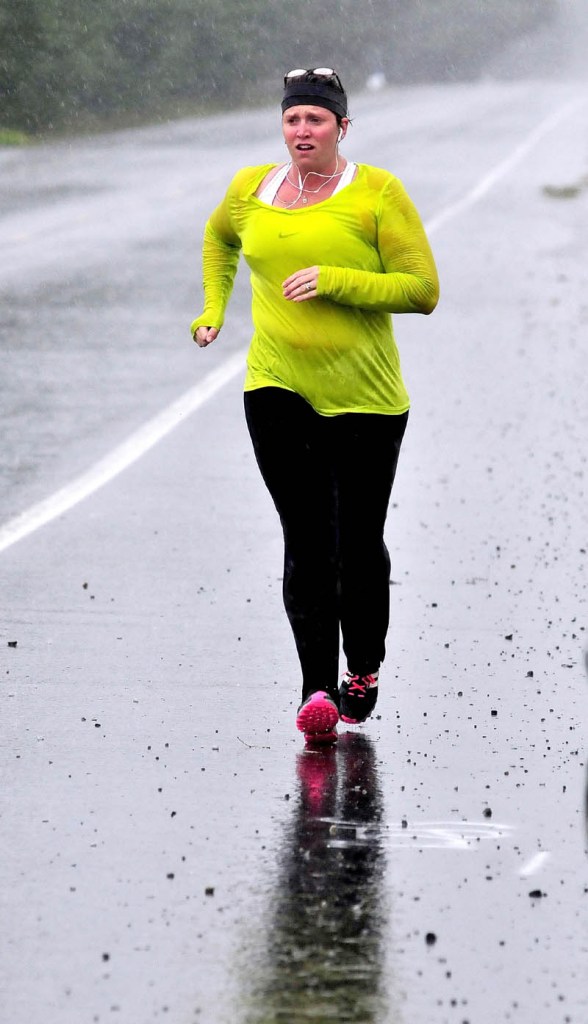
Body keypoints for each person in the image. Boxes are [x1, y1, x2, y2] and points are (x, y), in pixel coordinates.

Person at [191, 68, 439, 743]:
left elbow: (422, 289)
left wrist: (337, 280)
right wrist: (214, 308)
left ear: (342, 129)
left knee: (357, 548)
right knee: (307, 541)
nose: (302, 131)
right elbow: (220, 238)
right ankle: (316, 692)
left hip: (367, 400)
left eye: (317, 121)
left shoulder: (378, 194)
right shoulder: (250, 191)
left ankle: (363, 667)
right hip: (277, 387)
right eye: (293, 119)